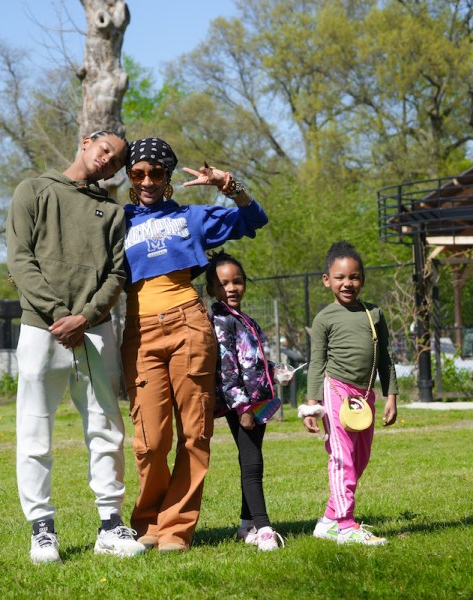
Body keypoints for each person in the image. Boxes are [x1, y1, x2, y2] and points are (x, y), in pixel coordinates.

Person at [120, 137, 268, 553]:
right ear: (130, 177)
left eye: (156, 173)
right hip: (140, 330)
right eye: (138, 173)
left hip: (189, 325)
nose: (147, 180)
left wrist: (228, 184)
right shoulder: (119, 221)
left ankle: (176, 528)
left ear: (167, 177)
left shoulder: (192, 218)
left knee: (194, 433)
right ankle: (147, 522)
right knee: (149, 440)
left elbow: (254, 219)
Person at [6, 130, 144, 564]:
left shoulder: (114, 213)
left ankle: (110, 524)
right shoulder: (33, 190)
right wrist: (57, 315)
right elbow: (19, 258)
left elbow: (117, 275)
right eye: (106, 150)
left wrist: (84, 318)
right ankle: (42, 530)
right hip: (41, 330)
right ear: (86, 142)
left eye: (117, 161)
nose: (109, 161)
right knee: (34, 430)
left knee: (105, 428)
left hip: (94, 329)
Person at [299, 240, 399, 546]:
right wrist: (312, 402)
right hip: (336, 390)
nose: (348, 283)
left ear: (363, 279)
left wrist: (391, 396)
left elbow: (385, 358)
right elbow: (317, 362)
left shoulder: (374, 313)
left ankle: (328, 520)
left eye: (354, 277)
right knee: (342, 459)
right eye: (340, 277)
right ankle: (345, 526)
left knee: (360, 458)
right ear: (327, 280)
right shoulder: (324, 318)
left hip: (364, 397)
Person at [205, 251, 285, 552]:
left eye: (237, 282)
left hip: (259, 400)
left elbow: (251, 360)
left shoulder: (244, 319)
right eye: (224, 283)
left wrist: (275, 370)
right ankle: (264, 528)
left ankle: (246, 524)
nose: (232, 288)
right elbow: (227, 370)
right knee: (253, 464)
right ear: (212, 288)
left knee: (249, 460)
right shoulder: (220, 321)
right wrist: (243, 409)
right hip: (242, 405)